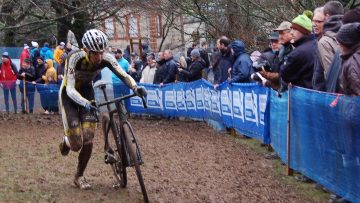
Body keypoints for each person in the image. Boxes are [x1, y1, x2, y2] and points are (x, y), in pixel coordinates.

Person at [58, 29, 146, 190]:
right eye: (95, 54)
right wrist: (85, 103)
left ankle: (79, 176)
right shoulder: (74, 58)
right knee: (76, 144)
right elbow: (70, 88)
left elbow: (123, 74)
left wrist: (135, 87)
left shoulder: (106, 58)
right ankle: (66, 141)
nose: (99, 57)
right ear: (86, 50)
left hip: (87, 91)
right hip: (69, 96)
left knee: (89, 138)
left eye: (101, 52)